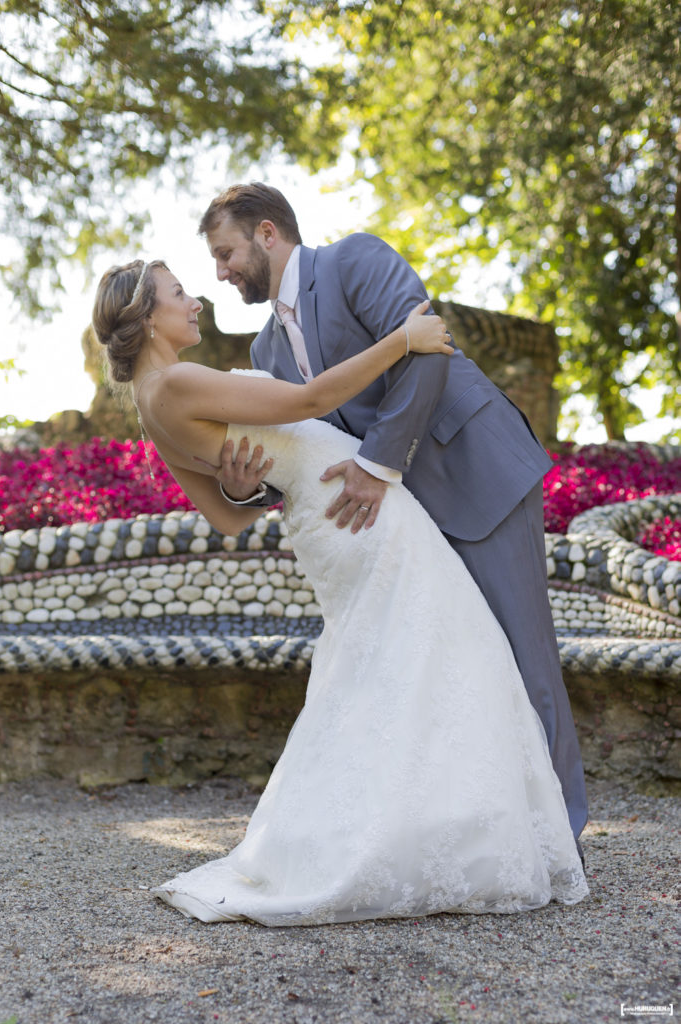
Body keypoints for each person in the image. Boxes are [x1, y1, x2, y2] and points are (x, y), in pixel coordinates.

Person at [91, 257, 588, 926]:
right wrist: (402, 341)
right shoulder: (176, 381)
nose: (195, 300)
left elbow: (228, 515)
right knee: (450, 651)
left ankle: (416, 830)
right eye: (178, 293)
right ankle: (445, 835)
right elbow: (307, 402)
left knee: (393, 668)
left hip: (335, 519)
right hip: (359, 519)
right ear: (148, 318)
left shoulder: (153, 403)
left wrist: (240, 485)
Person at [199, 183, 588, 850]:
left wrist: (378, 464)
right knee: (462, 669)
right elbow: (305, 450)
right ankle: (497, 837)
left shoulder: (353, 260)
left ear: (267, 233)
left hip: (474, 472)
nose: (220, 272)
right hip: (407, 522)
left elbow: (426, 350)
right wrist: (245, 490)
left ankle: (562, 840)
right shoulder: (266, 353)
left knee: (523, 661)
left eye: (225, 253)